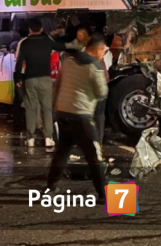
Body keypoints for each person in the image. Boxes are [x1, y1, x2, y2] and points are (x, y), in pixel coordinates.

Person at [46, 32, 108, 202]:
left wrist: (55, 108)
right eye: (103, 51)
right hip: (81, 116)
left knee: (62, 152)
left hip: (62, 112)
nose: (103, 55)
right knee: (94, 155)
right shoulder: (94, 66)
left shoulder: (68, 62)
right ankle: (103, 194)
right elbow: (101, 92)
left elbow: (57, 86)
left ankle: (51, 187)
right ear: (98, 50)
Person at [14, 18, 67, 147]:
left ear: (30, 30)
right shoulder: (47, 41)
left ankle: (31, 138)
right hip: (45, 79)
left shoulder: (25, 43)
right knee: (47, 108)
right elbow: (61, 47)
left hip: (30, 79)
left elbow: (20, 62)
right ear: (42, 29)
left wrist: (18, 78)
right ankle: (48, 137)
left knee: (31, 108)